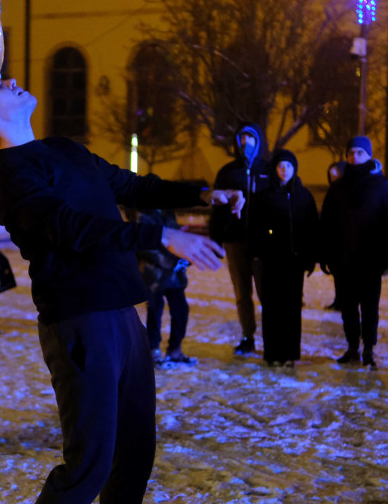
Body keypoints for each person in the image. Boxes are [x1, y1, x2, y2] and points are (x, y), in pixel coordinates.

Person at [0, 72, 239, 504]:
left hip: (121, 314)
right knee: (88, 463)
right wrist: (161, 237)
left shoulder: (59, 148)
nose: (10, 79)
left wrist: (201, 193)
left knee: (135, 450)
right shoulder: (11, 175)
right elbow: (72, 228)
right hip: (79, 320)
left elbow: (128, 187)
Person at [320, 136, 388, 370]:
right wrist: (326, 254)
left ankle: (369, 349)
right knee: (348, 307)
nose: (355, 157)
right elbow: (327, 222)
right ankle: (352, 347)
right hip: (343, 258)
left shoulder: (382, 186)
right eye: (351, 153)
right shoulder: (337, 188)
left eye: (360, 153)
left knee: (370, 306)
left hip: (371, 259)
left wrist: (387, 253)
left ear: (369, 155)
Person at [252, 149, 319, 366]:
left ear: (294, 169)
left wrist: (310, 258)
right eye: (280, 166)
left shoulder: (304, 196)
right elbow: (256, 227)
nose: (284, 170)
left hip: (294, 261)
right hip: (271, 260)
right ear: (274, 169)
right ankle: (272, 353)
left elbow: (312, 229)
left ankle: (290, 353)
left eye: (288, 166)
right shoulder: (264, 196)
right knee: (272, 308)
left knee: (291, 309)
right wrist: (257, 253)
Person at [209, 122, 268, 356]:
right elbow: (216, 209)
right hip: (235, 240)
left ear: (258, 141)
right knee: (242, 294)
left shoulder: (268, 170)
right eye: (242, 138)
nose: (246, 143)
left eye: (251, 138)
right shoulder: (227, 172)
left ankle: (270, 336)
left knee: (266, 292)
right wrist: (216, 240)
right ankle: (248, 336)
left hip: (263, 242)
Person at [136, 208, 195, 367]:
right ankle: (153, 350)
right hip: (153, 275)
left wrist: (182, 248)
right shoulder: (142, 213)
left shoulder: (167, 211)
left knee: (181, 309)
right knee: (155, 310)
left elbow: (173, 239)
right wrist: (173, 260)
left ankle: (175, 350)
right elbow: (144, 246)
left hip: (173, 275)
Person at [323, 161, 345, 311]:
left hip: (345, 240)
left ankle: (344, 301)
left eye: (336, 176)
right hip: (335, 241)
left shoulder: (346, 192)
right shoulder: (331, 193)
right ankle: (339, 300)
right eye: (331, 176)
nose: (333, 179)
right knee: (337, 274)